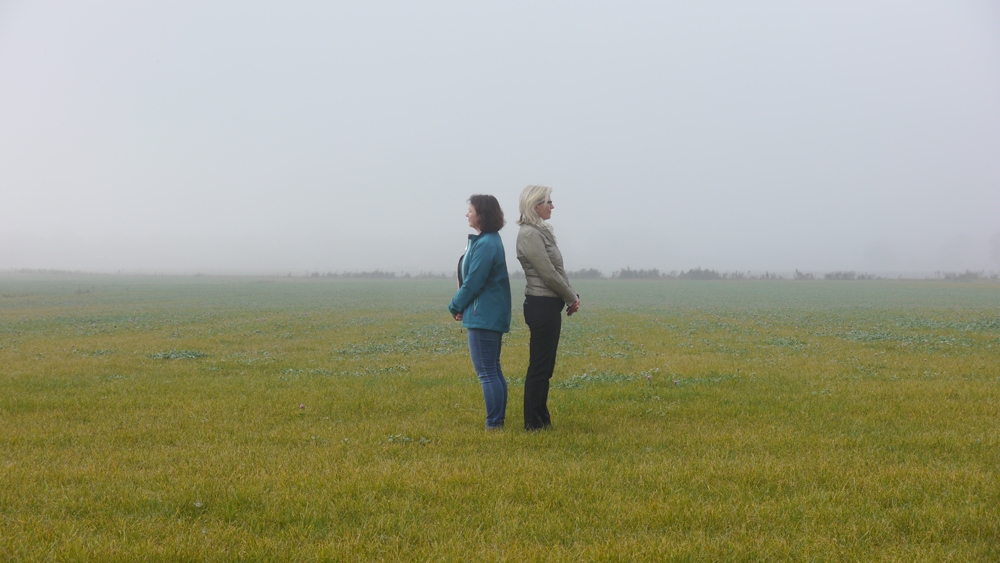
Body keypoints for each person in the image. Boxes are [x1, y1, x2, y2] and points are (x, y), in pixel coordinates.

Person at [516, 185, 579, 431]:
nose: (552, 206)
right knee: (540, 367)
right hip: (541, 304)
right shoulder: (530, 234)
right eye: (548, 202)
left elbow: (558, 271)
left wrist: (571, 294)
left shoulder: (540, 231)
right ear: (535, 206)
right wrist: (570, 298)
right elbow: (548, 273)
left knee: (546, 366)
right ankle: (533, 423)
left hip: (549, 303)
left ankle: (542, 418)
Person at [448, 194, 512, 430]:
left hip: (483, 316)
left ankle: (494, 424)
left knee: (487, 372)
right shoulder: (489, 240)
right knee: (493, 368)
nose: (467, 213)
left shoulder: (486, 244)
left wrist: (455, 306)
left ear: (481, 214)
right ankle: (498, 421)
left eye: (470, 210)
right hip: (487, 313)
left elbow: (474, 282)